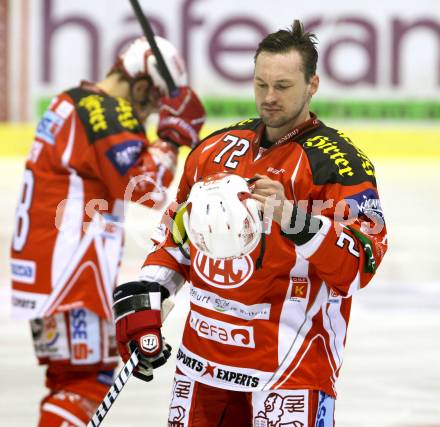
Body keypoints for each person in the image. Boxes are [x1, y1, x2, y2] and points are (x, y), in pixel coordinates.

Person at [113, 21, 387, 426]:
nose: (269, 98)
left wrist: (295, 220)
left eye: (283, 86)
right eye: (261, 85)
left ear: (313, 84)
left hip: (289, 369)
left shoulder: (339, 165)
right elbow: (175, 242)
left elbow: (360, 264)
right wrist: (151, 299)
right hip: (201, 364)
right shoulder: (213, 150)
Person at [10, 35, 205, 426]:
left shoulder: (73, 101)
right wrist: (173, 135)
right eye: (153, 101)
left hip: (53, 267)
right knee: (85, 384)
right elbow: (146, 188)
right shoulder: (104, 110)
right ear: (142, 84)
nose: (151, 113)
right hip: (71, 275)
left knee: (72, 379)